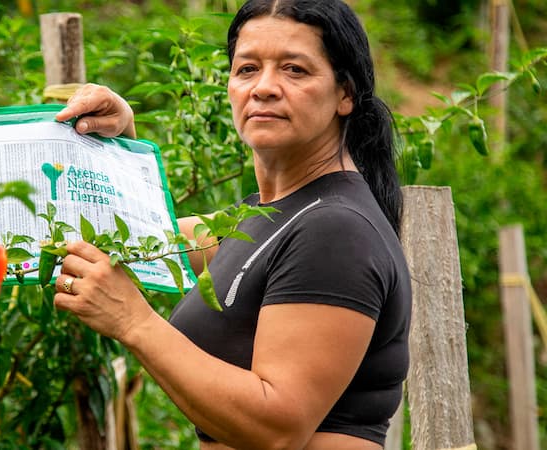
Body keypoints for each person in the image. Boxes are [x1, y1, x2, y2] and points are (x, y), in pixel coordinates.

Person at [52, 0, 411, 448]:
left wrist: (133, 322)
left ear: (346, 94)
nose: (264, 88)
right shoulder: (266, 217)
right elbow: (140, 239)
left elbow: (278, 427)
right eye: (247, 69)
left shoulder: (336, 231)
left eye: (294, 70)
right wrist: (117, 148)